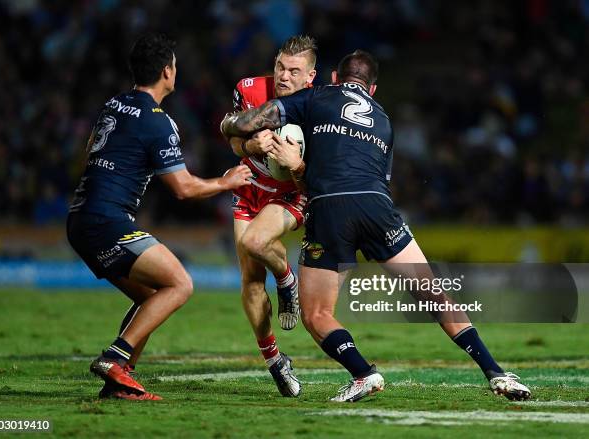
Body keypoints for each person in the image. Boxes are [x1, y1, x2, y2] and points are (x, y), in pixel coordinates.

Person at [220, 50, 531, 402]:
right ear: (374, 88)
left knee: (318, 315)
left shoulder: (316, 96)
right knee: (433, 295)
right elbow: (376, 177)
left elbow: (253, 123)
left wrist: (232, 128)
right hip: (378, 207)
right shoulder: (384, 120)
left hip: (329, 209)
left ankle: (363, 373)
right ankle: (495, 372)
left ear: (334, 79)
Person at [67, 33, 252, 401]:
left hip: (81, 218)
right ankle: (114, 358)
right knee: (180, 284)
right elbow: (183, 189)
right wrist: (225, 181)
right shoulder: (158, 121)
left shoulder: (114, 104)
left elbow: (91, 151)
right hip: (108, 220)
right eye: (175, 66)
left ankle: (119, 382)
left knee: (152, 296)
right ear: (167, 71)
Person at [222, 35, 317, 397]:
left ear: (310, 76)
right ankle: (275, 360)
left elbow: (317, 169)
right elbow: (232, 139)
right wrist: (250, 145)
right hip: (250, 189)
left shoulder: (317, 105)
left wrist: (295, 164)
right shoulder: (248, 89)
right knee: (249, 279)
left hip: (292, 193)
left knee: (255, 241)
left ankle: (287, 278)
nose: (284, 76)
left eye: (294, 71)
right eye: (280, 66)